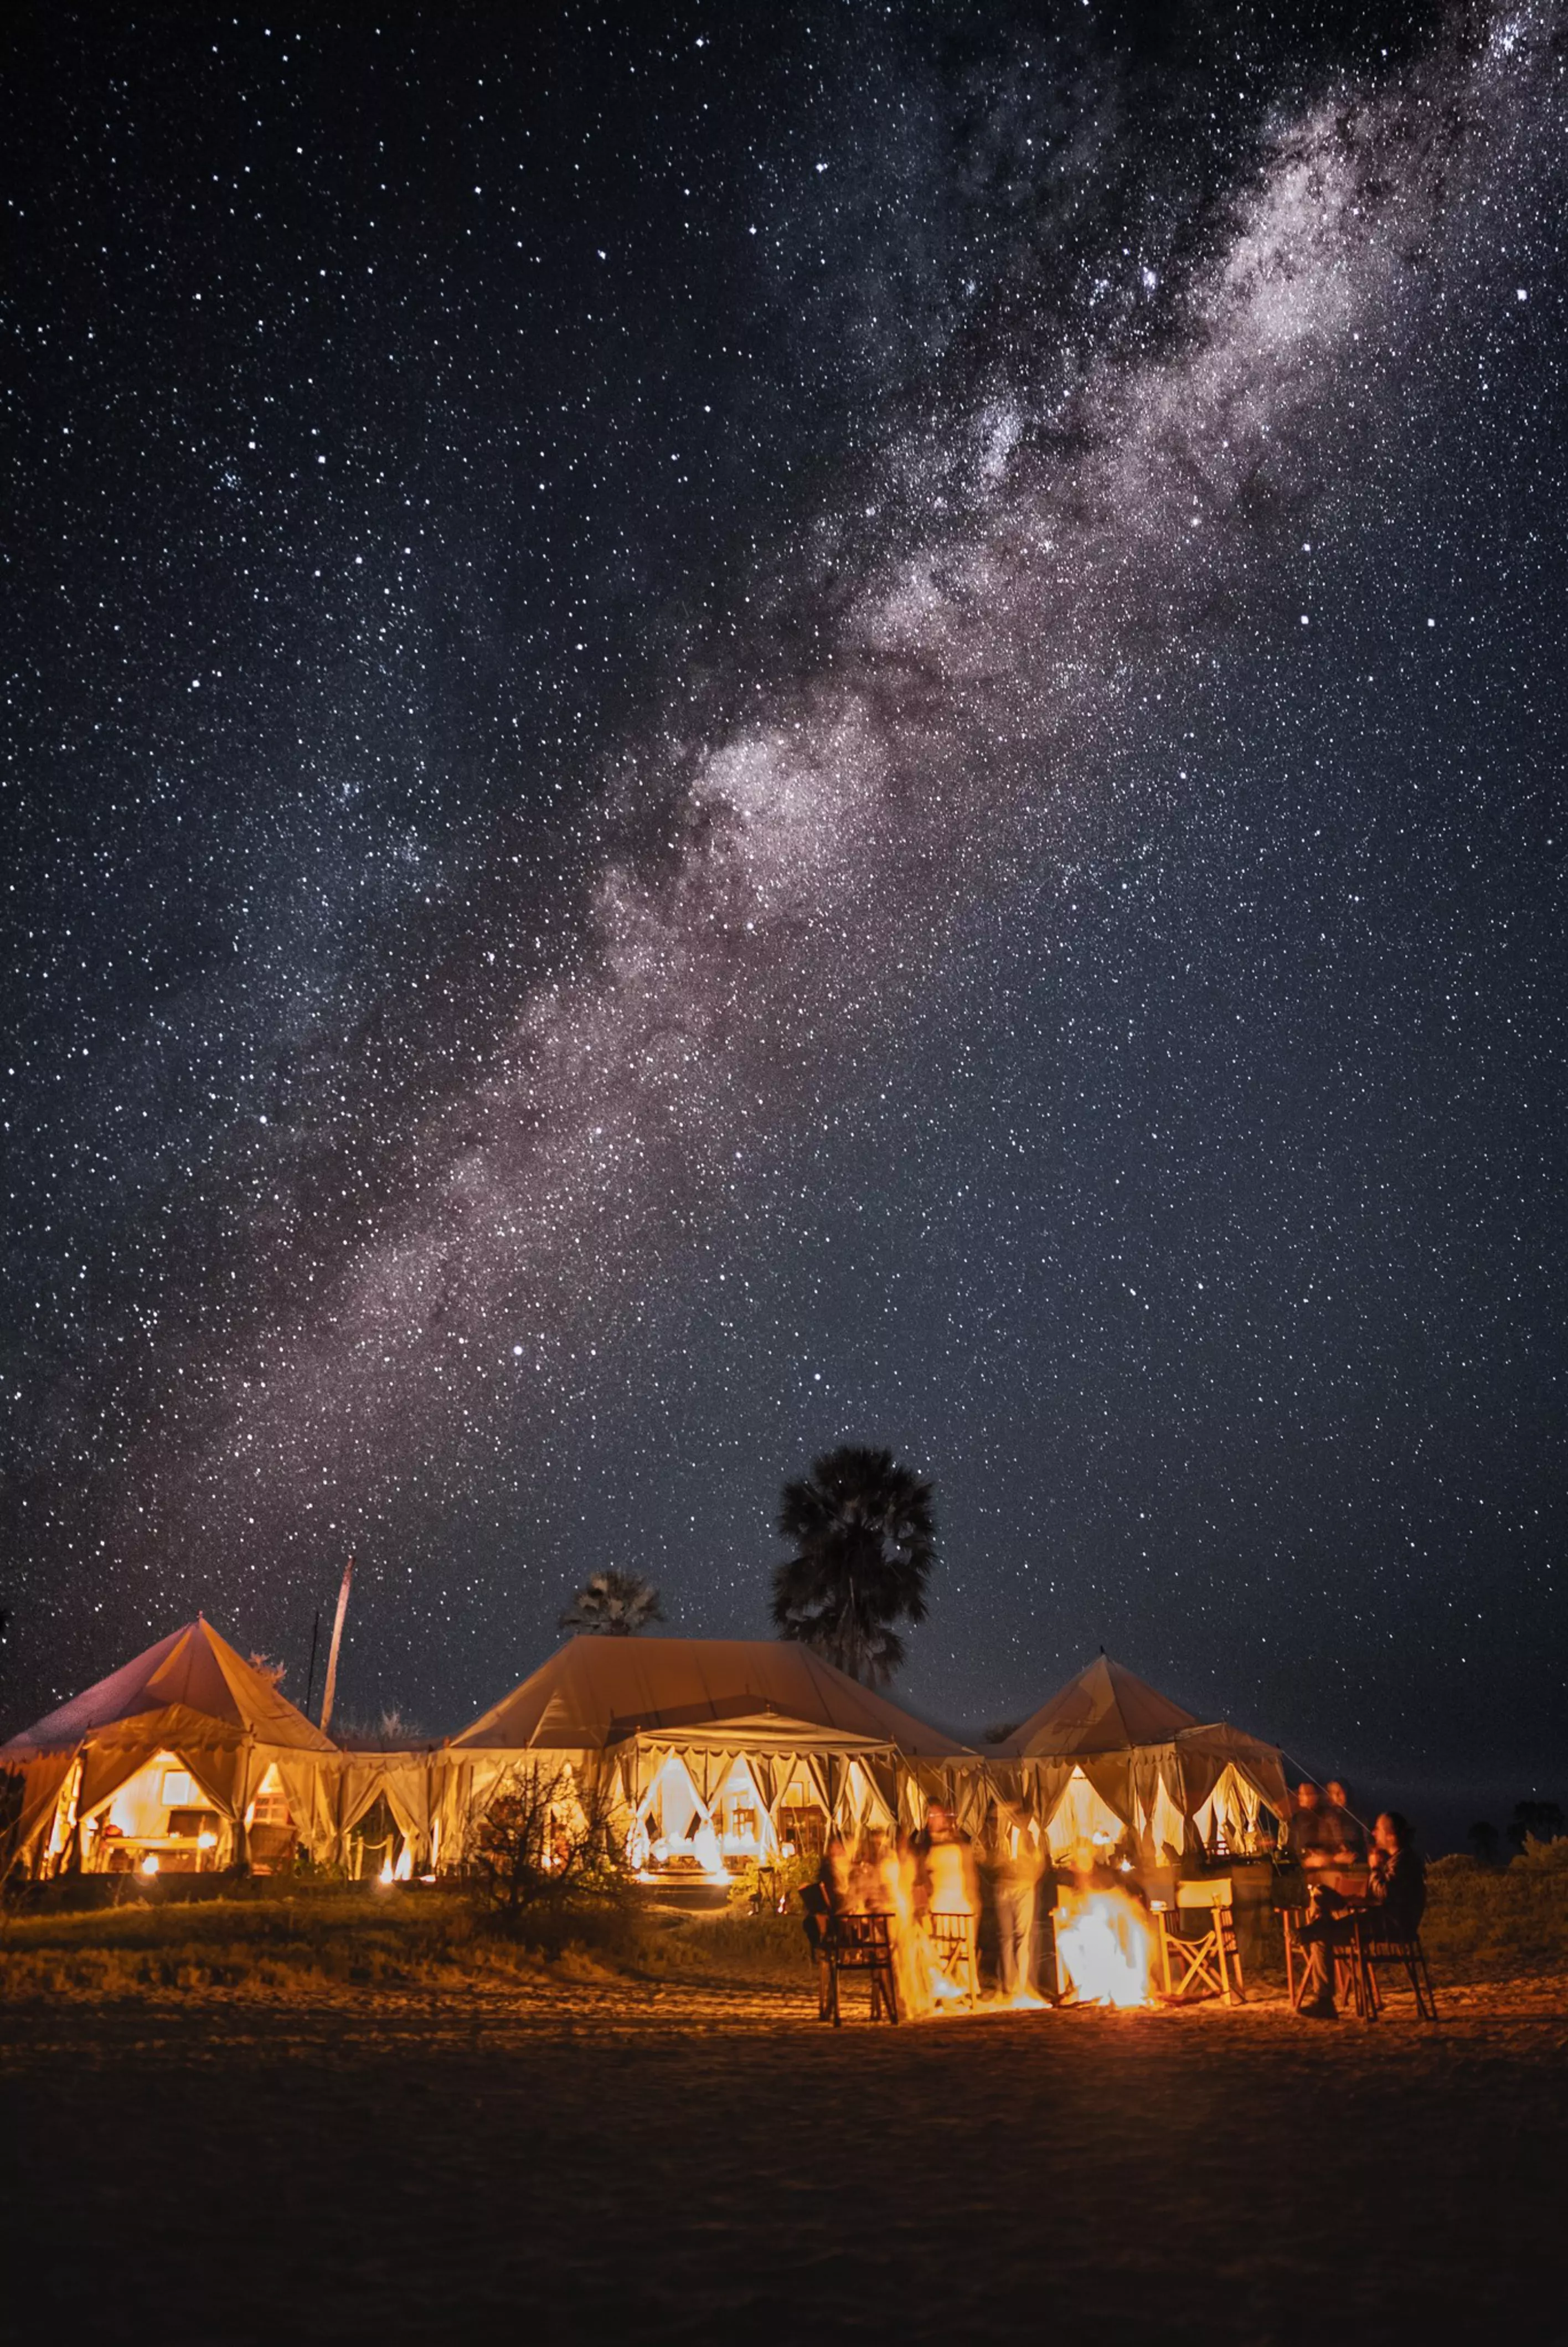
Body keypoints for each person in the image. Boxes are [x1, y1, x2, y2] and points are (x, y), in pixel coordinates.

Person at [983, 1799, 1046, 2002]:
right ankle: (1010, 1984)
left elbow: (1038, 1862)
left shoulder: (1029, 1835)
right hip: (1005, 1887)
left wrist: (1028, 1878)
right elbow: (992, 1860)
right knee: (1007, 1938)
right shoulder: (1001, 1835)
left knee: (1021, 1937)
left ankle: (1019, 1986)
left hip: (1022, 1887)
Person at [1366, 1812, 1426, 1940]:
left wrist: (1375, 1869)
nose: (1373, 1833)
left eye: (1378, 1829)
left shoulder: (1404, 1862)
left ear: (1391, 1837)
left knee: (1327, 1931)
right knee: (1324, 1928)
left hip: (1393, 1925)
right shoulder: (1401, 1859)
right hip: (1392, 1922)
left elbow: (1385, 1894)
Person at [1323, 1780, 1369, 1865]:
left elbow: (1368, 1843)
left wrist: (1357, 1857)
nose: (1337, 1796)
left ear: (1347, 1793)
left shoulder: (1359, 1816)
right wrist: (1334, 1858)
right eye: (1333, 1792)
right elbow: (1323, 1844)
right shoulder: (1326, 1818)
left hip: (1357, 1864)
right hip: (1332, 1867)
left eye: (1340, 1792)